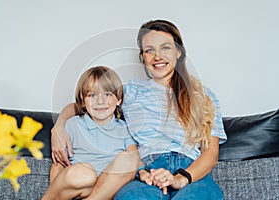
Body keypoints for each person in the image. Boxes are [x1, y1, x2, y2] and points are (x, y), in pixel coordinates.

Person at [51, 19, 227, 200]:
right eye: (150, 50)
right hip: (146, 172)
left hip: (191, 173)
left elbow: (210, 154)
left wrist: (181, 179)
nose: (157, 56)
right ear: (143, 56)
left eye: (165, 48)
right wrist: (58, 127)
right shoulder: (130, 92)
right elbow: (84, 105)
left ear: (178, 52)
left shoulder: (203, 95)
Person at [42, 66, 139, 200]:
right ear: (83, 101)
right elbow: (58, 164)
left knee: (128, 159)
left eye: (107, 94)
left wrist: (144, 173)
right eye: (92, 95)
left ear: (118, 100)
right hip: (79, 185)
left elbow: (134, 158)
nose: (100, 101)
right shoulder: (73, 124)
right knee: (84, 173)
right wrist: (54, 191)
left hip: (105, 190)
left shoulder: (124, 128)